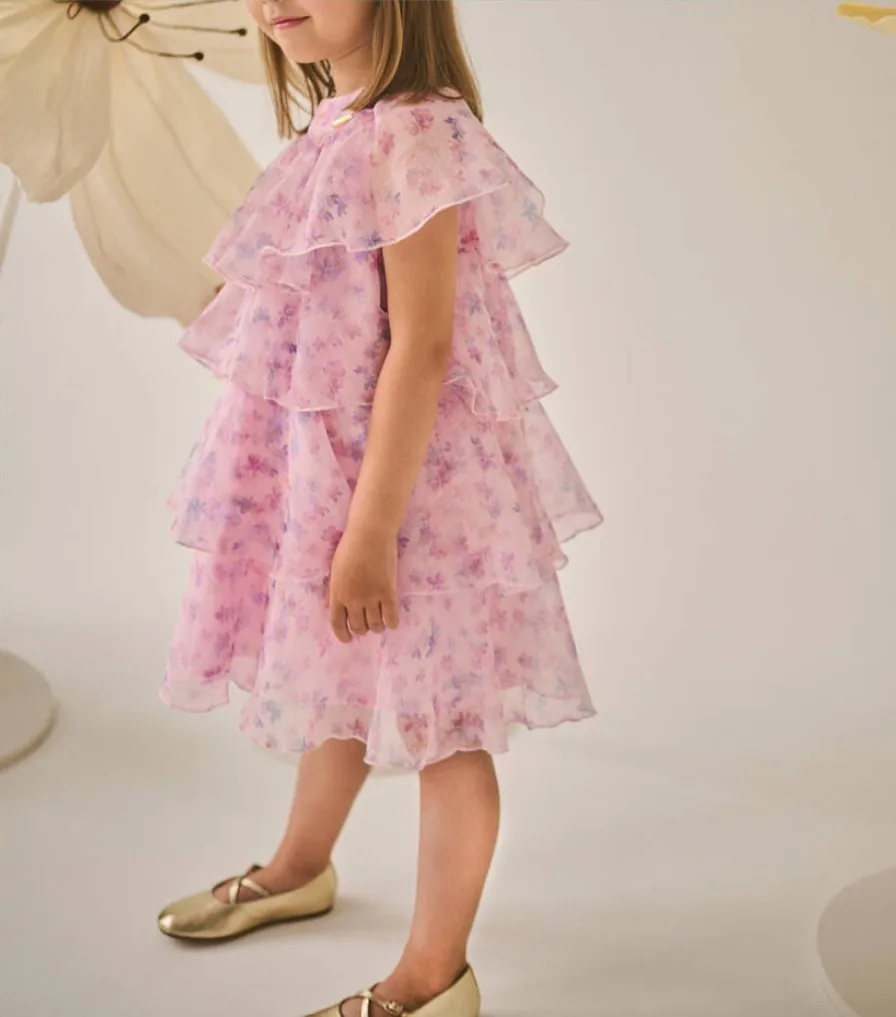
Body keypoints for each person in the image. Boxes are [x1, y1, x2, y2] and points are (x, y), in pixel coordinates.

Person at [156, 1, 603, 1015]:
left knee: (445, 727)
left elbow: (425, 343)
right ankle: (298, 866)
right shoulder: (342, 122)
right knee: (342, 672)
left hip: (410, 499)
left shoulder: (413, 131)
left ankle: (431, 978)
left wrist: (370, 531)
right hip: (337, 474)